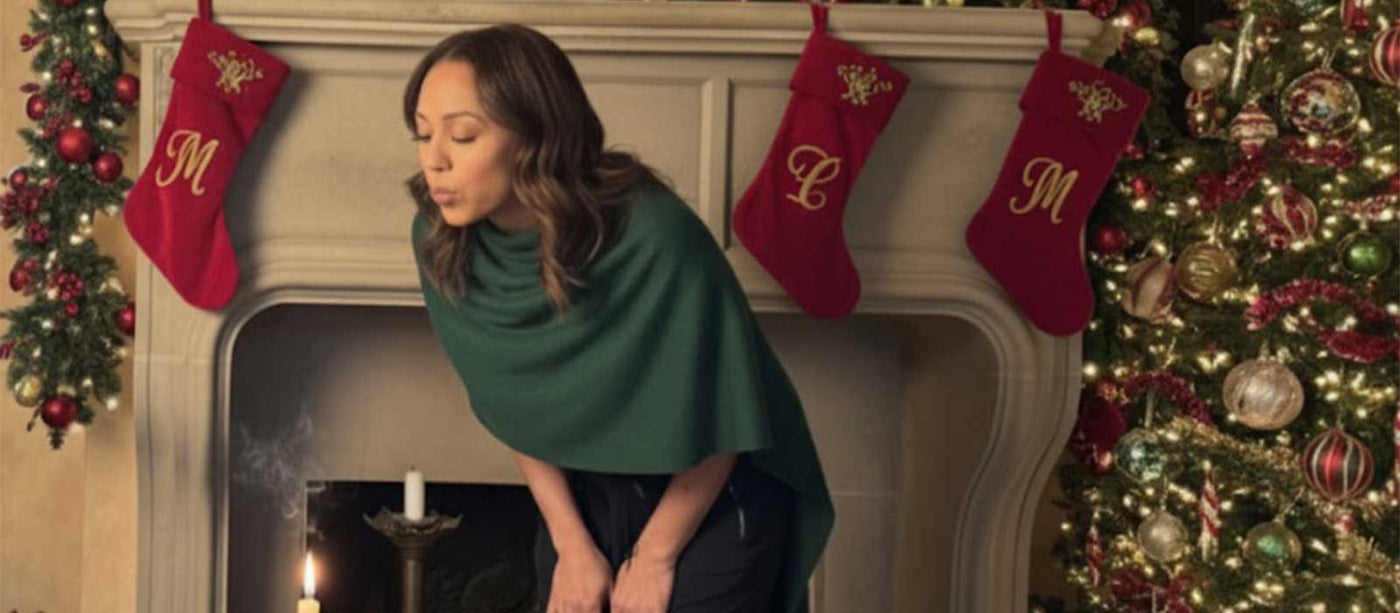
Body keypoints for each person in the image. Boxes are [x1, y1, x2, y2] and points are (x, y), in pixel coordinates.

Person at [404, 23, 833, 613]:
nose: (436, 162)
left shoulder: (656, 234)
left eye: (463, 136)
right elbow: (519, 408)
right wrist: (572, 545)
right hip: (583, 496)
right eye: (423, 136)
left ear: (534, 134)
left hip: (709, 492)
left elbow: (729, 409)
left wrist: (656, 558)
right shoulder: (442, 243)